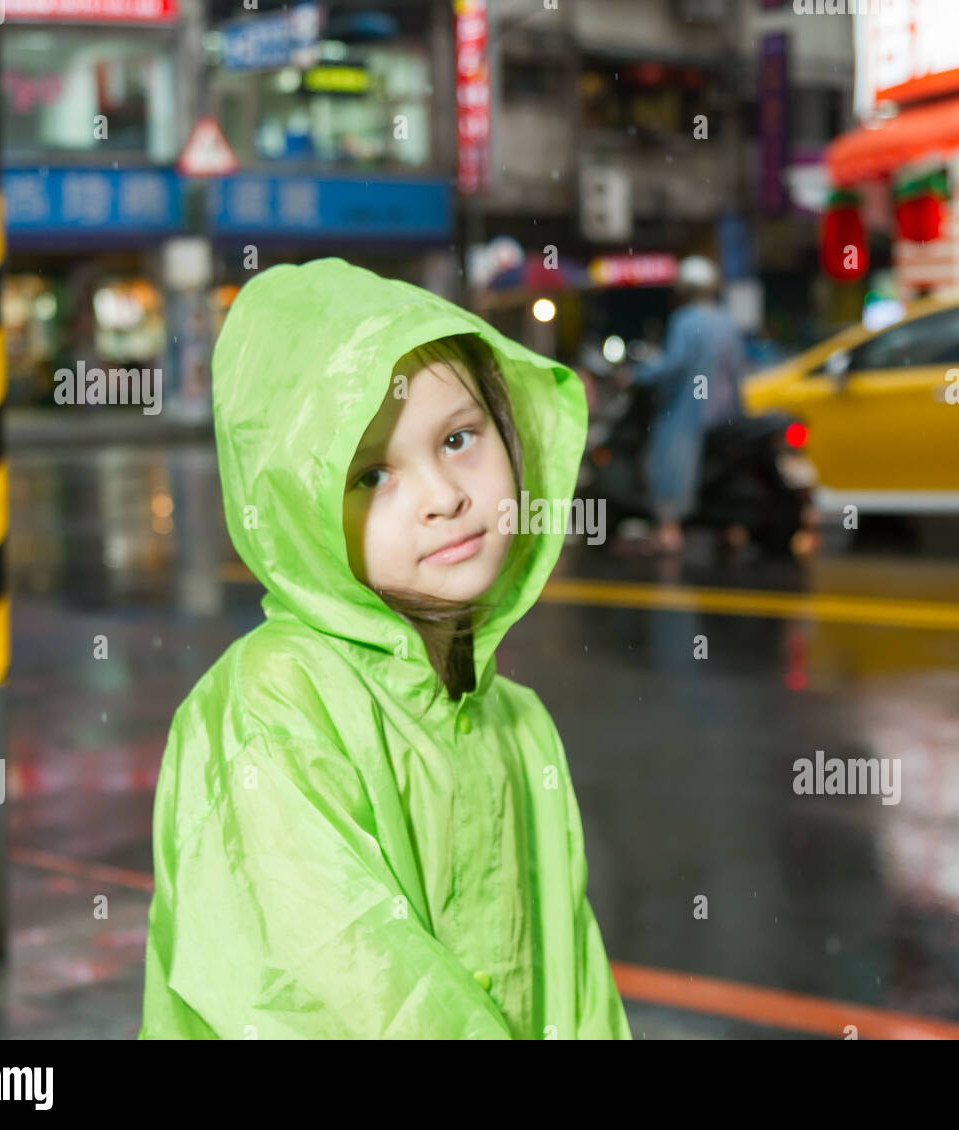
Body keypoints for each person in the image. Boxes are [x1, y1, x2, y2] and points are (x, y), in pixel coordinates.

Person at [139, 258, 631, 1040]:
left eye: (460, 438)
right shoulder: (272, 706)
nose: (444, 496)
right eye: (372, 475)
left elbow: (576, 984)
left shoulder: (516, 720)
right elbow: (332, 994)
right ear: (303, 508)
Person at [624, 255, 748, 555]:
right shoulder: (726, 321)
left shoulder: (685, 320)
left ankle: (669, 530)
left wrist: (636, 375)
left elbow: (673, 364)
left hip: (689, 412)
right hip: (726, 413)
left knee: (665, 454)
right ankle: (732, 529)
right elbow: (739, 370)